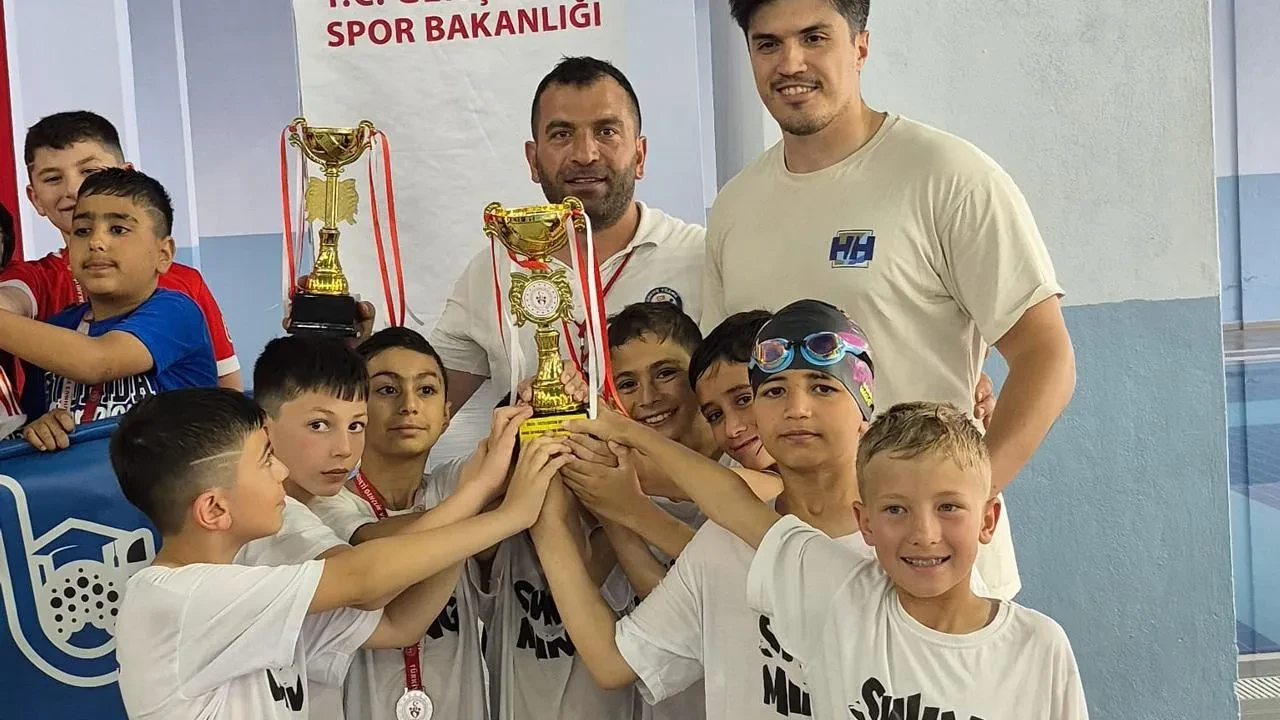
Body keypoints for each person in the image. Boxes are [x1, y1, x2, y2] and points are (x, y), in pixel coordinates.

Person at [702, 0, 1076, 600]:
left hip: (937, 573)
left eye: (814, 37)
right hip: (798, 570)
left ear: (861, 46)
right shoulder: (733, 208)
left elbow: (1047, 358)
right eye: (768, 43)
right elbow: (729, 390)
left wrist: (956, 506)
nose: (790, 62)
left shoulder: (948, 177)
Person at [551, 300, 1017, 720]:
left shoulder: (916, 552)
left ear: (864, 408)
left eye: (822, 387)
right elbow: (614, 662)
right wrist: (547, 514)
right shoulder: (721, 542)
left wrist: (623, 453)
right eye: (773, 392)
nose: (797, 409)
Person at [109, 387, 572, 720]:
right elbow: (362, 579)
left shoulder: (243, 593)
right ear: (214, 509)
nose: (282, 470)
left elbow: (398, 622)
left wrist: (476, 493)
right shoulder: (178, 600)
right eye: (266, 459)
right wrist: (506, 514)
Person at [429, 56, 705, 458]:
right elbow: (420, 408)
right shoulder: (493, 269)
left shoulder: (699, 255)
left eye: (606, 131)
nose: (585, 154)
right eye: (561, 134)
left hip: (674, 497)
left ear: (640, 155)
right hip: (539, 495)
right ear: (533, 160)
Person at [308, 328, 510, 720]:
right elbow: (376, 550)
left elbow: (515, 458)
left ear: (446, 414)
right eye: (387, 389)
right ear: (355, 410)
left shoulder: (453, 487)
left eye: (426, 390)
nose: (409, 405)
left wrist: (545, 400)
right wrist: (486, 502)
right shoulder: (323, 505)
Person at [0, 111, 241, 389]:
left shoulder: (183, 290)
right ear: (35, 198)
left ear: (126, 175)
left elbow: (229, 390)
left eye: (90, 172)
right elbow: (10, 300)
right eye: (53, 178)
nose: (74, 189)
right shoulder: (36, 280)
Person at [2, 168, 216, 451]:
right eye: (82, 231)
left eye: (118, 229)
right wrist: (42, 426)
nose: (96, 242)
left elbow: (96, 361)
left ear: (164, 254)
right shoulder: (55, 330)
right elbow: (37, 422)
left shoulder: (177, 312)